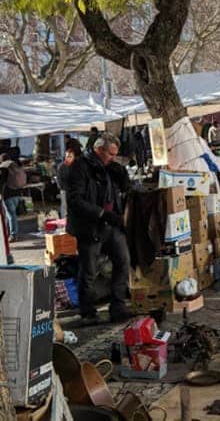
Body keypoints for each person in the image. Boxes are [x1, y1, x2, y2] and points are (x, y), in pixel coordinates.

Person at [67, 133, 131, 324]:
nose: (113, 158)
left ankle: (117, 306)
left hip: (111, 225)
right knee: (89, 271)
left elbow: (124, 189)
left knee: (123, 261)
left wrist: (122, 173)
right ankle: (87, 312)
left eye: (115, 155)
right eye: (110, 154)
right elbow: (75, 200)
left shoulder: (109, 167)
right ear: (99, 150)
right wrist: (101, 213)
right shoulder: (80, 167)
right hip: (90, 227)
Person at [1, 147, 26, 242]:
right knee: (10, 215)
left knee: (11, 215)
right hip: (17, 192)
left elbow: (2, 182)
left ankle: (13, 235)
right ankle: (9, 233)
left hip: (8, 194)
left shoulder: (3, 168)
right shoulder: (15, 165)